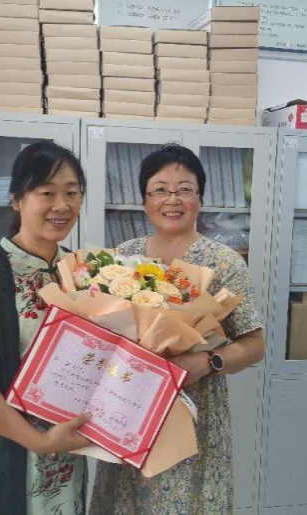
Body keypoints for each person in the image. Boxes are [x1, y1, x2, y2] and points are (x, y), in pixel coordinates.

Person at [89, 143, 265, 514]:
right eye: (160, 189)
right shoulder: (124, 257)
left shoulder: (223, 263)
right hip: (130, 406)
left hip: (194, 411)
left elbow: (254, 344)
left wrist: (207, 362)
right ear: (145, 199)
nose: (173, 200)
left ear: (200, 198)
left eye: (185, 189)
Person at [0, 141, 92, 515]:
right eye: (47, 193)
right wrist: (39, 441)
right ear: (17, 199)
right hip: (6, 455)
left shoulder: (82, 272)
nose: (62, 205)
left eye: (72, 193)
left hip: (66, 452)